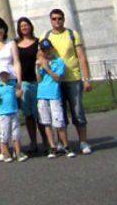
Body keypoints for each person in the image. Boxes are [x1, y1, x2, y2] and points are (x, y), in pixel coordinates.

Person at [40, 8, 92, 155]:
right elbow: (41, 55)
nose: (57, 21)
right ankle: (63, 143)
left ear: (63, 19)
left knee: (77, 111)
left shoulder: (72, 34)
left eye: (59, 18)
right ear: (50, 20)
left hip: (73, 79)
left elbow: (81, 56)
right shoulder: (46, 35)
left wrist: (86, 79)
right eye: (54, 19)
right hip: (54, 82)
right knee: (58, 113)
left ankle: (83, 142)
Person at [36, 39, 75, 158]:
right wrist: (37, 67)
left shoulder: (59, 62)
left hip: (54, 94)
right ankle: (52, 147)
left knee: (59, 122)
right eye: (44, 50)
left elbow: (57, 78)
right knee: (46, 122)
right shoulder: (41, 63)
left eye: (48, 49)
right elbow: (38, 80)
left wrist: (47, 68)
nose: (47, 52)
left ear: (52, 48)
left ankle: (66, 146)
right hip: (42, 94)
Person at [16, 16, 47, 153]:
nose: (24, 27)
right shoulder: (15, 44)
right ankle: (33, 142)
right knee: (28, 115)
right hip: (24, 82)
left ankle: (46, 141)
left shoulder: (38, 42)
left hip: (37, 81)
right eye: (22, 26)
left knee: (40, 113)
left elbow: (42, 58)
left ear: (30, 26)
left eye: (26, 25)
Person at [0, 69, 27, 162]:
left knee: (16, 132)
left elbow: (18, 91)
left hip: (14, 110)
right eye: (2, 74)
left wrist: (19, 93)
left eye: (5, 74)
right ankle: (5, 152)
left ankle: (18, 152)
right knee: (4, 133)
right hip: (3, 112)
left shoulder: (13, 84)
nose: (4, 76)